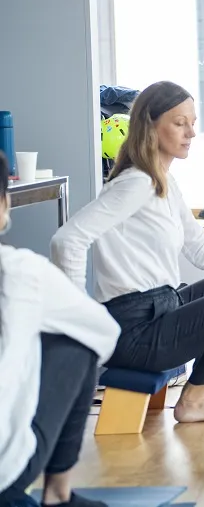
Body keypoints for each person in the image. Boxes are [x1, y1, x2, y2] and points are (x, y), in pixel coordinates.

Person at [50, 81, 204, 425]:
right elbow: (68, 240)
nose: (191, 132)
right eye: (180, 123)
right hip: (134, 331)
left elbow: (199, 247)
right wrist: (79, 320)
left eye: (192, 123)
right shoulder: (136, 183)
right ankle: (193, 400)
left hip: (160, 309)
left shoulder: (162, 181)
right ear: (149, 126)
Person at [0, 153, 122, 507]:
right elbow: (103, 331)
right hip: (5, 470)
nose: (190, 132)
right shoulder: (20, 271)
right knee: (78, 339)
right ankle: (57, 494)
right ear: (4, 204)